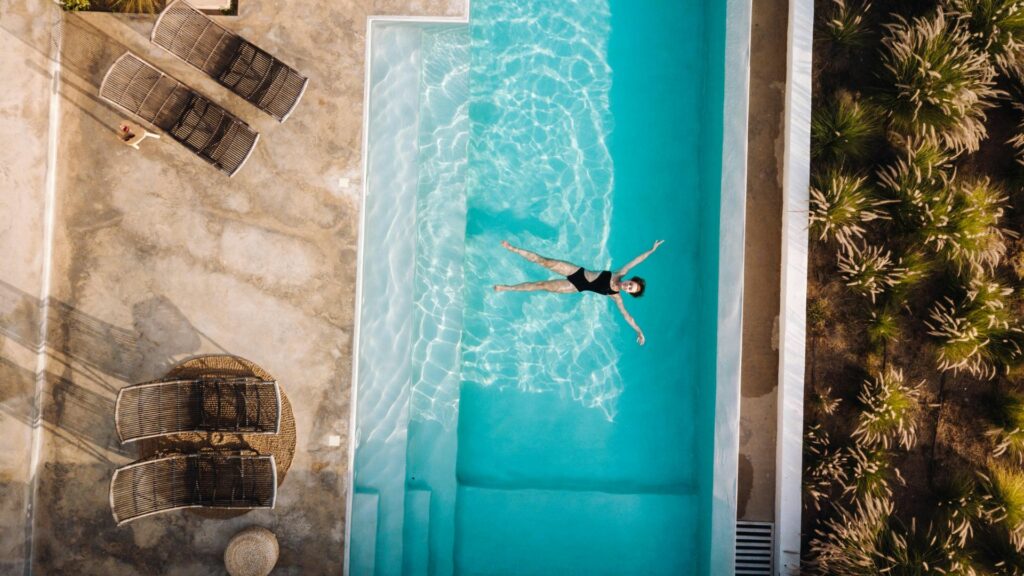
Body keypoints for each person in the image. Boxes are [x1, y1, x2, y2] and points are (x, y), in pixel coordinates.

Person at [494, 239, 664, 345]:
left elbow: (627, 316)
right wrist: (652, 250)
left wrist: (639, 331)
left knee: (541, 285)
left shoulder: (616, 297)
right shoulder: (620, 273)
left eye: (630, 289)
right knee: (545, 261)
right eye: (630, 284)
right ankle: (513, 249)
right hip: (577, 272)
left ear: (628, 292)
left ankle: (507, 288)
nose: (627, 286)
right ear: (630, 280)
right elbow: (636, 261)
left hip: (575, 287)